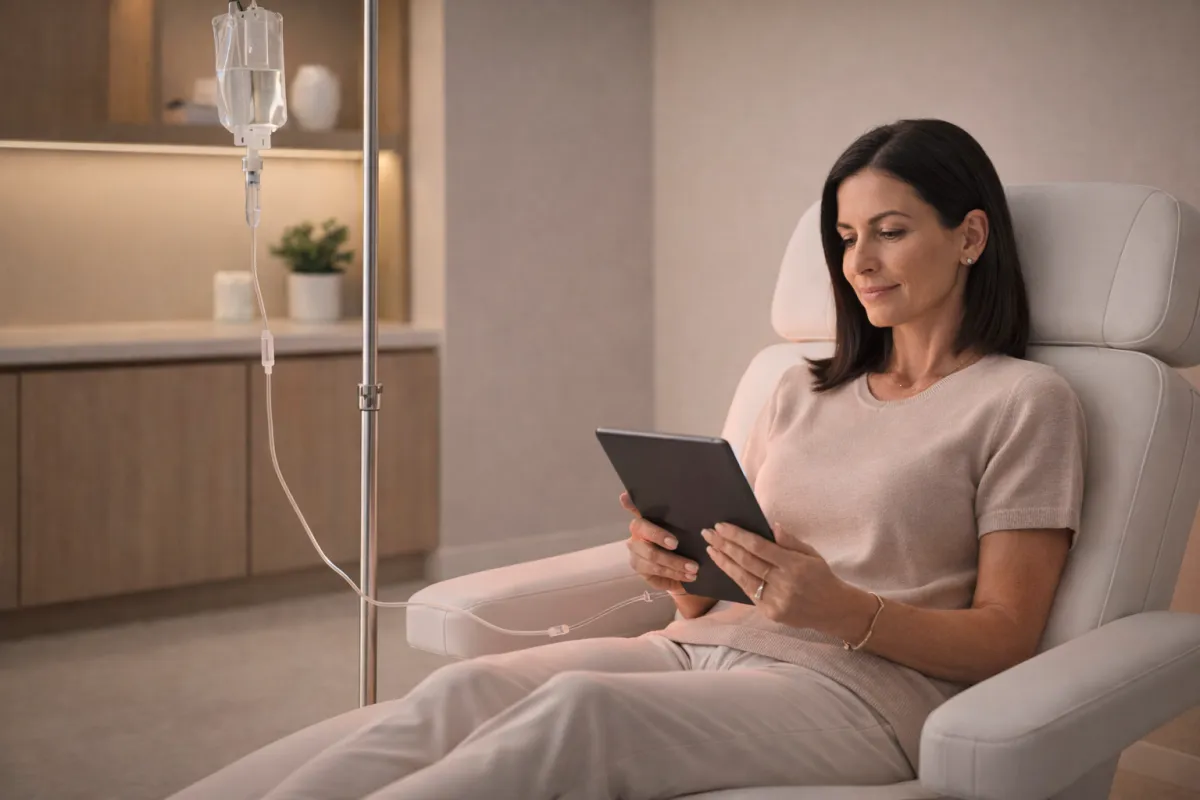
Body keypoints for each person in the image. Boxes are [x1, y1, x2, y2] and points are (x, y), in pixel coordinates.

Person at [258, 118, 1087, 800]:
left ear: (970, 236)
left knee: (581, 713)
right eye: (844, 237)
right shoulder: (799, 388)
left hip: (860, 694)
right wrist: (680, 571)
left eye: (890, 232)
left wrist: (843, 610)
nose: (857, 262)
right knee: (460, 688)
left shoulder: (1023, 401)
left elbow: (1007, 639)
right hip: (698, 648)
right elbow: (721, 591)